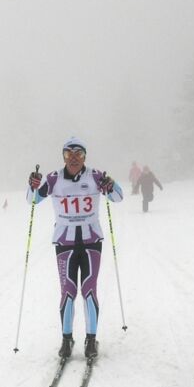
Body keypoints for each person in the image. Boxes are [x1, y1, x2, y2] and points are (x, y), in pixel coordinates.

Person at [27, 137, 124, 359]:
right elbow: (32, 201)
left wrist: (112, 184)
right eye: (68, 154)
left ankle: (91, 340)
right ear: (63, 157)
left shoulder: (96, 176)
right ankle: (66, 339)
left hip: (91, 241)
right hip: (65, 243)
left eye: (78, 154)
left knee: (89, 289)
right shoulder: (53, 179)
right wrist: (32, 184)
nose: (73, 159)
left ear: (85, 157)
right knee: (68, 291)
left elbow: (118, 197)